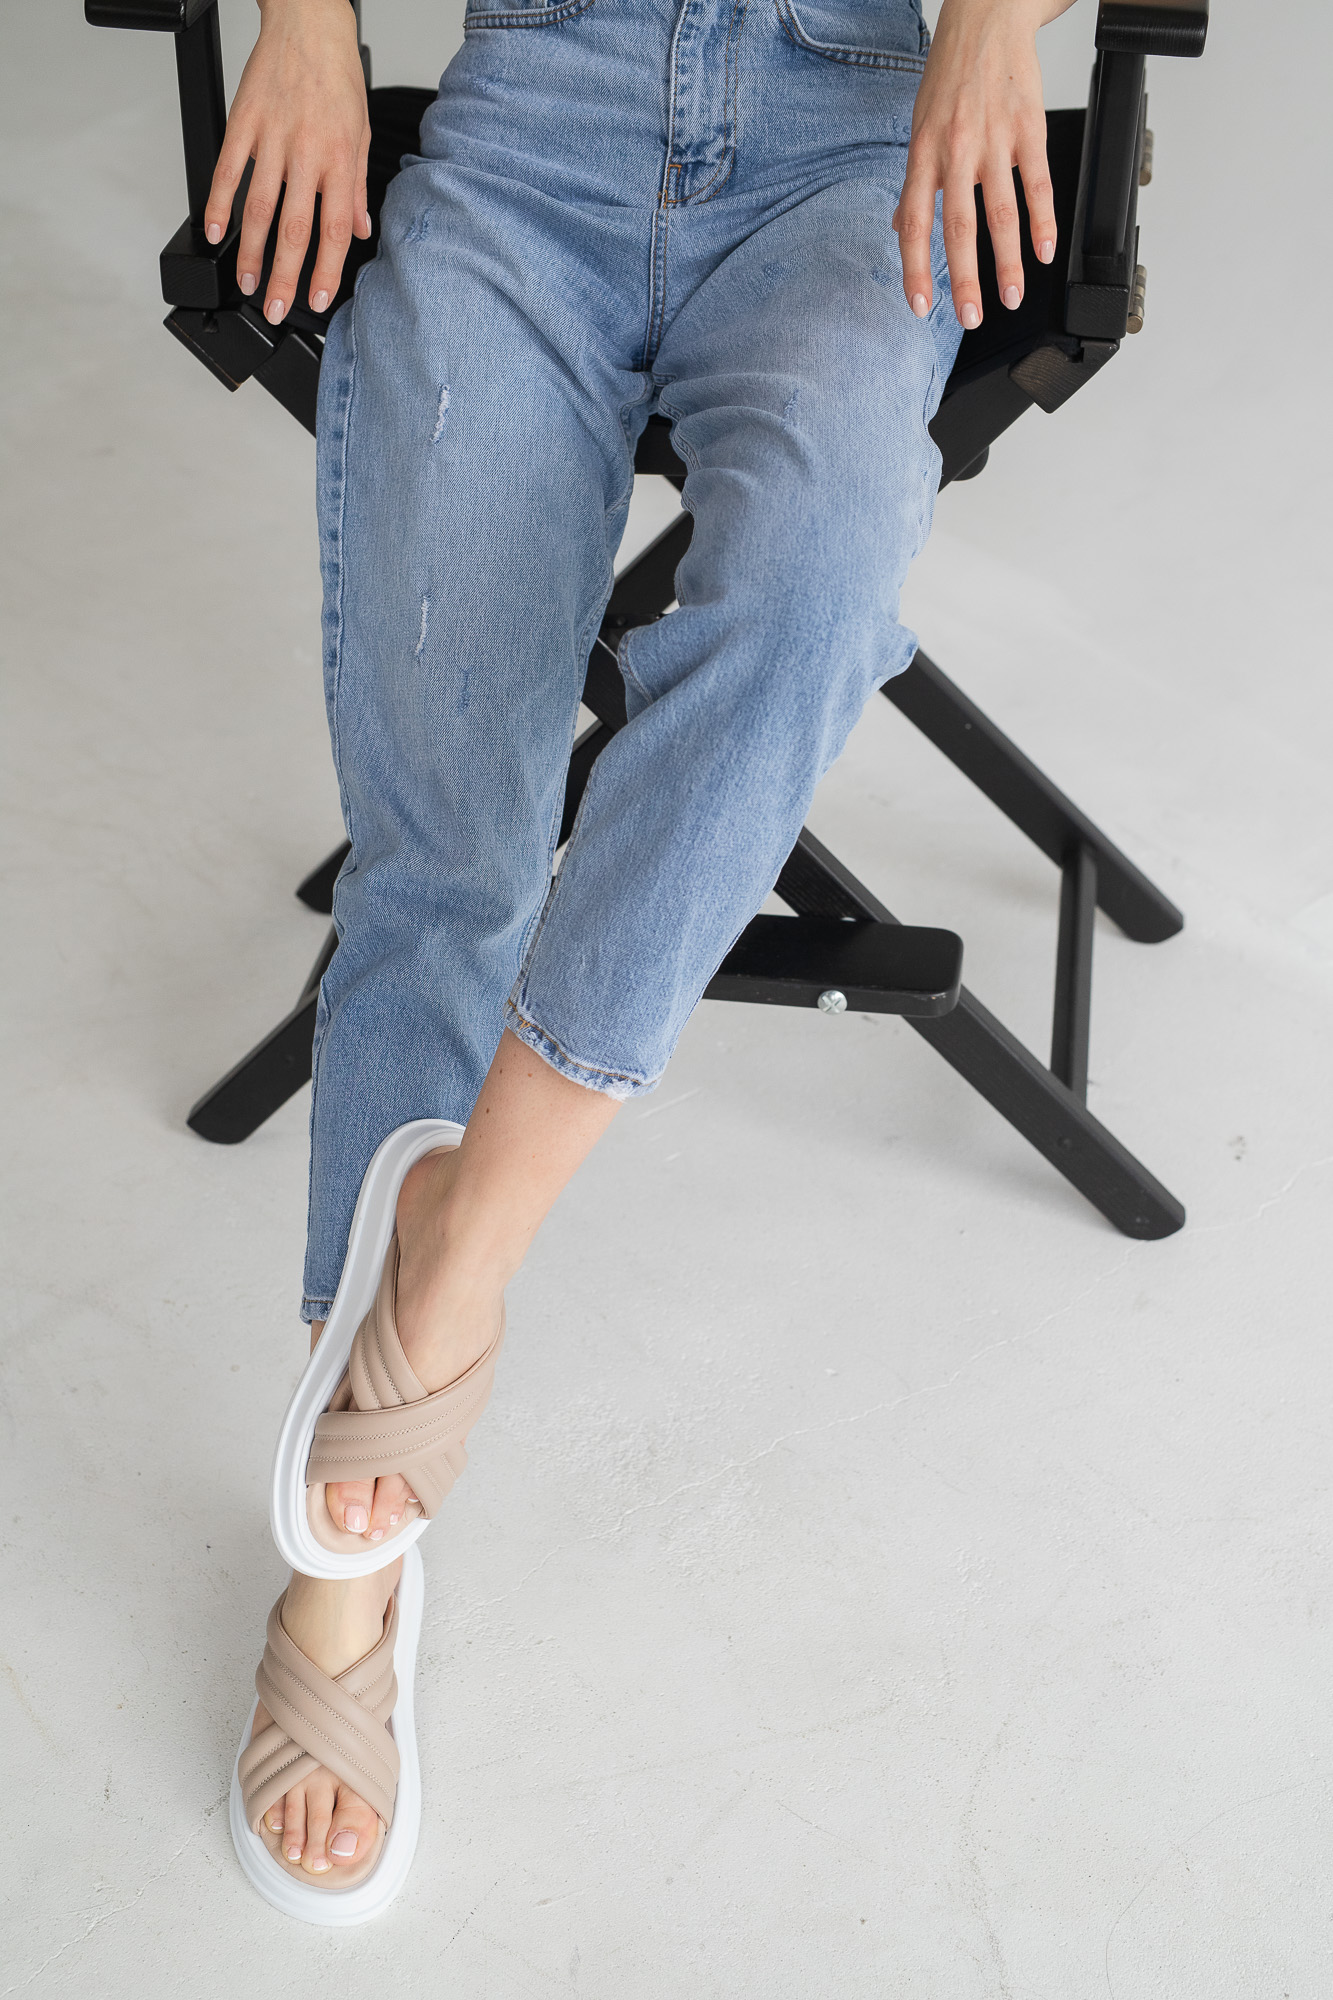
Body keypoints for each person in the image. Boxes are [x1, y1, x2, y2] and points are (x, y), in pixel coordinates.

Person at [209, 0, 1070, 1908]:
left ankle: (458, 1247)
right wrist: (303, 19)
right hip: (534, 120)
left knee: (807, 598)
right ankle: (351, 1570)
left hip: (856, 136)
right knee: (445, 852)